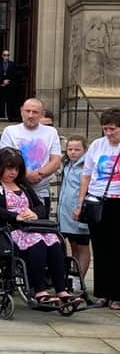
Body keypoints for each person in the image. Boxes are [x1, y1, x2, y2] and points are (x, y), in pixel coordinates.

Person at [0, 148, 82, 306]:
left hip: (30, 227)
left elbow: (40, 206)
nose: (13, 172)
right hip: (5, 229)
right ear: (0, 166)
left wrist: (33, 213)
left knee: (54, 241)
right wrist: (14, 216)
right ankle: (39, 290)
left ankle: (61, 290)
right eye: (9, 168)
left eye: (17, 169)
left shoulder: (22, 184)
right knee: (37, 242)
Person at [74, 108, 120, 311]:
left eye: (112, 129)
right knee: (100, 248)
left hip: (117, 200)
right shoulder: (97, 145)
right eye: (106, 129)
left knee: (116, 249)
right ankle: (102, 292)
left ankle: (117, 294)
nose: (108, 133)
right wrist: (80, 202)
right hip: (97, 200)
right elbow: (87, 174)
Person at [0, 98, 62, 211]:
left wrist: (39, 174)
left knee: (40, 225)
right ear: (21, 111)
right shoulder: (10, 131)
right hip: (15, 190)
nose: (30, 115)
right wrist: (26, 174)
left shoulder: (51, 132)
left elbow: (56, 160)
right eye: (27, 111)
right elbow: (5, 159)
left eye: (35, 112)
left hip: (42, 191)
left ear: (42, 114)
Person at [57, 135, 90, 290]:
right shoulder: (68, 165)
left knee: (82, 245)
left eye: (77, 149)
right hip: (66, 213)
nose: (73, 152)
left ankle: (80, 280)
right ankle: (73, 276)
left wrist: (80, 206)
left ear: (85, 150)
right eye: (70, 149)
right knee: (73, 246)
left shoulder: (86, 166)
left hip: (79, 212)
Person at [0, 49, 17, 120]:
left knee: (10, 101)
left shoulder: (12, 64)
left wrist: (8, 81)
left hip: (9, 85)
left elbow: (14, 74)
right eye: (4, 55)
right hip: (0, 85)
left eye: (7, 55)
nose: (6, 57)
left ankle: (10, 117)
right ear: (2, 56)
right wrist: (2, 81)